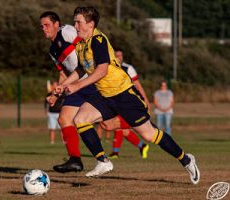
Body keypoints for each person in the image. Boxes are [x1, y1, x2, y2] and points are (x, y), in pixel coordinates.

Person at [54, 6, 200, 184]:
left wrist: (76, 87)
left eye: (78, 22)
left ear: (90, 24)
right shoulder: (81, 44)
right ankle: (103, 161)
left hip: (123, 94)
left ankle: (186, 160)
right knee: (80, 119)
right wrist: (63, 85)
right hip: (104, 95)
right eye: (75, 21)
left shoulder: (97, 40)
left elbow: (101, 71)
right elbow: (81, 69)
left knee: (149, 135)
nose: (75, 25)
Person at [40, 11, 105, 173]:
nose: (44, 29)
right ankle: (75, 160)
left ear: (57, 24)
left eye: (47, 25)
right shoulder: (52, 50)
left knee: (110, 124)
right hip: (76, 85)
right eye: (41, 26)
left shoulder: (66, 31)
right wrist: (55, 95)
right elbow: (63, 74)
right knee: (64, 119)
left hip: (91, 81)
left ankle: (131, 117)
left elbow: (86, 43)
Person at [107, 48, 150, 159]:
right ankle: (142, 146)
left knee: (118, 126)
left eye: (120, 55)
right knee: (124, 130)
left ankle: (116, 152)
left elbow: (137, 84)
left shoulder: (128, 68)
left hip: (128, 102)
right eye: (116, 55)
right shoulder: (109, 67)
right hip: (114, 101)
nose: (118, 57)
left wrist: (145, 100)